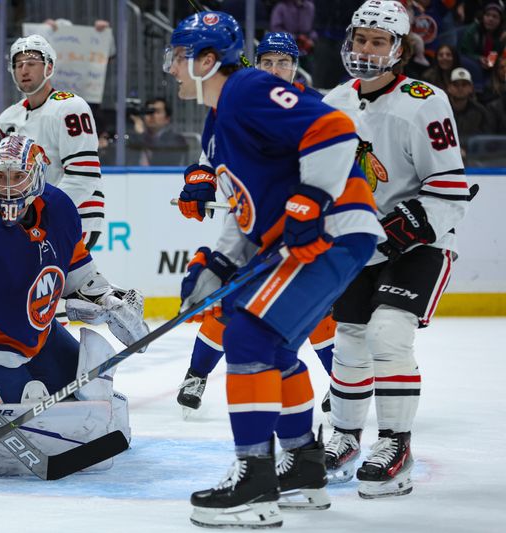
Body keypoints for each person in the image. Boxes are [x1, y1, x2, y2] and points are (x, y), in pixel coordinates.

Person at [165, 11, 381, 528]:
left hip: (330, 231)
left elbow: (333, 127)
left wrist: (309, 201)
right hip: (314, 238)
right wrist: (217, 264)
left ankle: (253, 481)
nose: (171, 68)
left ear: (207, 61)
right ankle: (304, 468)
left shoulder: (245, 89)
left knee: (247, 339)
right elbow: (245, 209)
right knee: (273, 347)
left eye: (177, 56)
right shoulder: (222, 118)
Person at [322, 0, 472, 499]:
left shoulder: (425, 100)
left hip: (420, 243)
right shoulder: (334, 100)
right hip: (359, 245)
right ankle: (342, 439)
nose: (365, 50)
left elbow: (449, 187)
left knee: (387, 334)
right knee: (350, 337)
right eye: (360, 39)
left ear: (400, 49)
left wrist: (404, 227)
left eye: (377, 41)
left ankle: (395, 446)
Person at [0, 134, 147, 431]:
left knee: (86, 397)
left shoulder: (60, 207)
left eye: (18, 176)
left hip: (39, 338)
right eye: (0, 177)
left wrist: (106, 299)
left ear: (36, 176)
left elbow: (76, 271)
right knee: (32, 412)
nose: (8, 187)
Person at [176, 31, 339, 421]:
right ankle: (196, 375)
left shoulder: (313, 105)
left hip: (303, 224)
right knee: (230, 300)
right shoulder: (236, 105)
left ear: (296, 66)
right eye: (267, 62)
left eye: (283, 62)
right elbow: (210, 158)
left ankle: (343, 383)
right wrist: (199, 179)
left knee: (317, 312)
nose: (275, 69)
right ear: (257, 65)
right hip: (252, 224)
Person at [0, 35, 104, 250]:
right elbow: (6, 180)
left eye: (32, 63)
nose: (24, 70)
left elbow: (84, 176)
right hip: (27, 219)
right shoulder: (8, 117)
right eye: (18, 64)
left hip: (75, 214)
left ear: (49, 67)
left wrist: (40, 211)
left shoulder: (71, 107)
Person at [126, 97, 188, 166]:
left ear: (167, 119)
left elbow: (161, 159)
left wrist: (142, 134)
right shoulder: (135, 138)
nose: (152, 115)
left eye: (157, 112)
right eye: (148, 112)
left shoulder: (177, 140)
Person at [446, 66, 492, 158]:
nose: (460, 88)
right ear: (449, 88)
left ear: (471, 88)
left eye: (464, 84)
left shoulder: (480, 111)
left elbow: (487, 139)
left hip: (474, 158)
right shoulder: (442, 110)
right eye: (456, 85)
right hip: (446, 157)